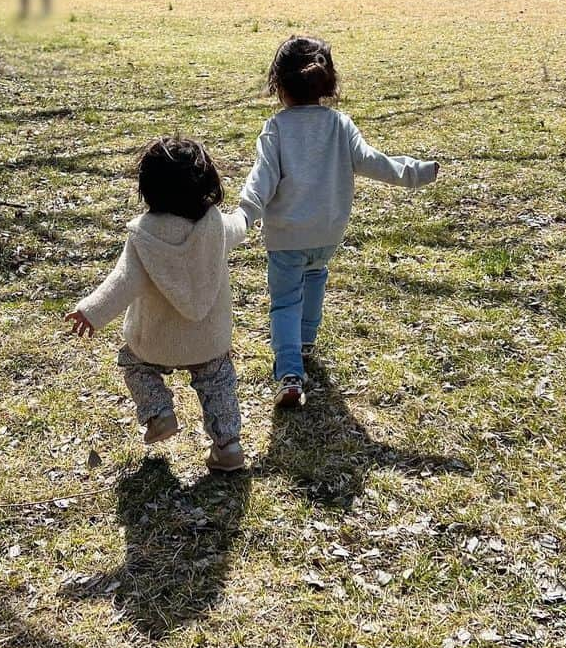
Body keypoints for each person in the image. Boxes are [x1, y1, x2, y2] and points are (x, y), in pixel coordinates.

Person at [239, 34, 439, 409]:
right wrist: (416, 172)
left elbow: (261, 178)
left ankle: (290, 371)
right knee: (315, 275)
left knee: (284, 301)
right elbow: (375, 162)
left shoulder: (277, 129)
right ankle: (306, 339)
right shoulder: (340, 125)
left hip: (286, 237)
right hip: (328, 233)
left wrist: (245, 214)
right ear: (327, 84)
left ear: (278, 85)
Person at [65, 137, 249, 472]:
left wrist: (90, 311)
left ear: (148, 188)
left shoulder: (144, 236)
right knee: (218, 381)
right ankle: (228, 445)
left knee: (133, 364)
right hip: (208, 340)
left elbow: (121, 283)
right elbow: (241, 224)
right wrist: (251, 209)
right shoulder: (217, 226)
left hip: (155, 342)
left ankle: (159, 413)